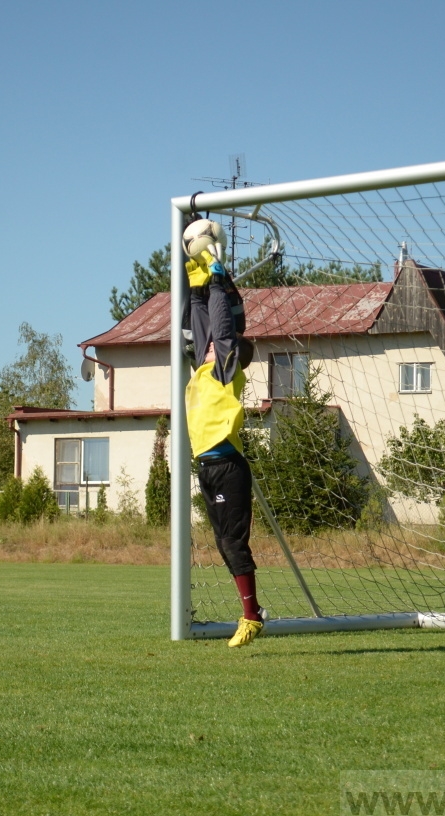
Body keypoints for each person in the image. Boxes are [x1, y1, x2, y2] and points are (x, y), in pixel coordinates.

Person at [182, 220, 265, 648]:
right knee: (221, 542)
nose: (212, 344)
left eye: (218, 345)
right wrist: (195, 271)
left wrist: (216, 273)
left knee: (233, 543)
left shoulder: (225, 368)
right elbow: (201, 321)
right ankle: (250, 612)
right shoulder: (203, 366)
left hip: (228, 468)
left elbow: (220, 324)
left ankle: (252, 616)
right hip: (207, 467)